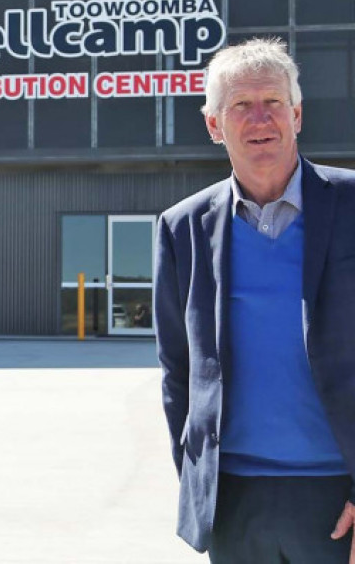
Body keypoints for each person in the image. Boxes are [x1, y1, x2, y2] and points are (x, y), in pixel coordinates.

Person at [155, 37, 355, 562]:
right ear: (214, 124)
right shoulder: (183, 227)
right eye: (241, 105)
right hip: (234, 500)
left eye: (273, 102)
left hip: (338, 493)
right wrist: (199, 481)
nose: (259, 118)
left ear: (297, 114)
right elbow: (179, 369)